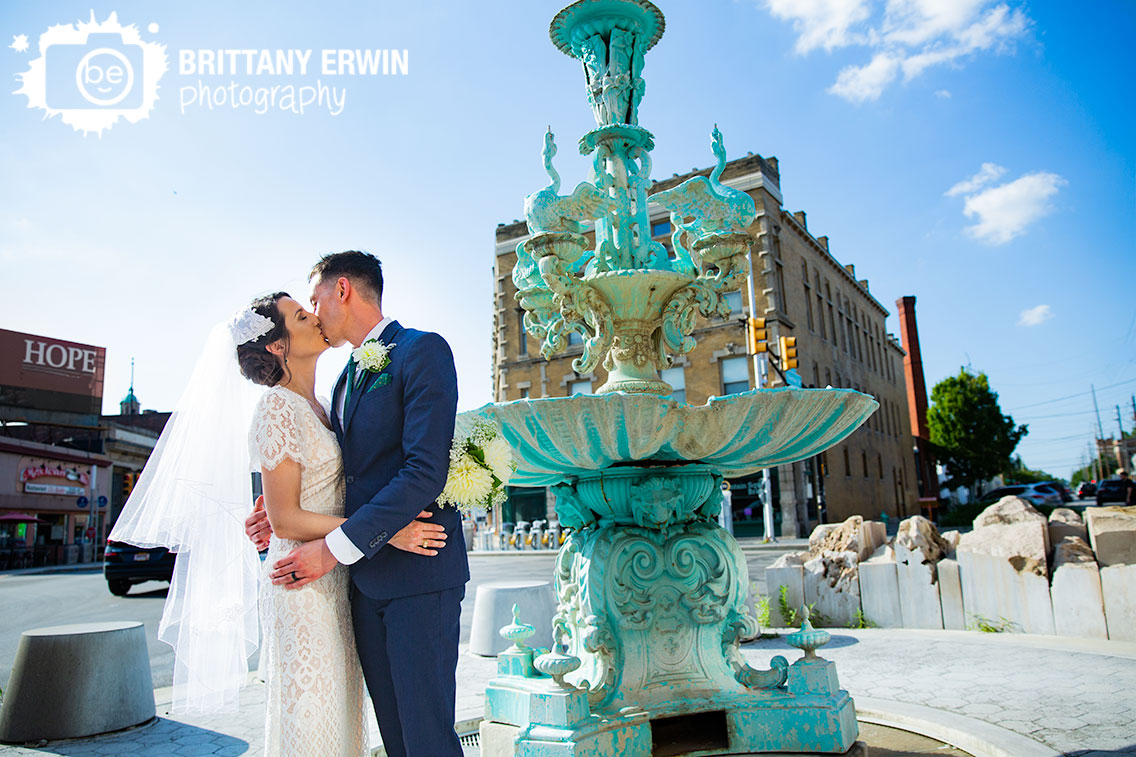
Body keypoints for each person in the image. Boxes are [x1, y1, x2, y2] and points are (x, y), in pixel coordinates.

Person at [111, 291, 444, 757]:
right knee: (310, 716)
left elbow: (318, 490)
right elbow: (287, 518)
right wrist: (385, 530)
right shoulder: (276, 409)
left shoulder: (327, 403)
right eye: (301, 316)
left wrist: (272, 512)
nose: (315, 318)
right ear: (277, 346)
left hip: (338, 579)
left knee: (341, 717)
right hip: (303, 585)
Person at [245, 251, 470, 757]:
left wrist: (330, 548)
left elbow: (423, 471)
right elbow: (341, 471)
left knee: (428, 739)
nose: (313, 309)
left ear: (340, 289)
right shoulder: (342, 381)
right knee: (395, 740)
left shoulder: (422, 351)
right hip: (362, 589)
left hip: (419, 576)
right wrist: (277, 511)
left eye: (314, 298)